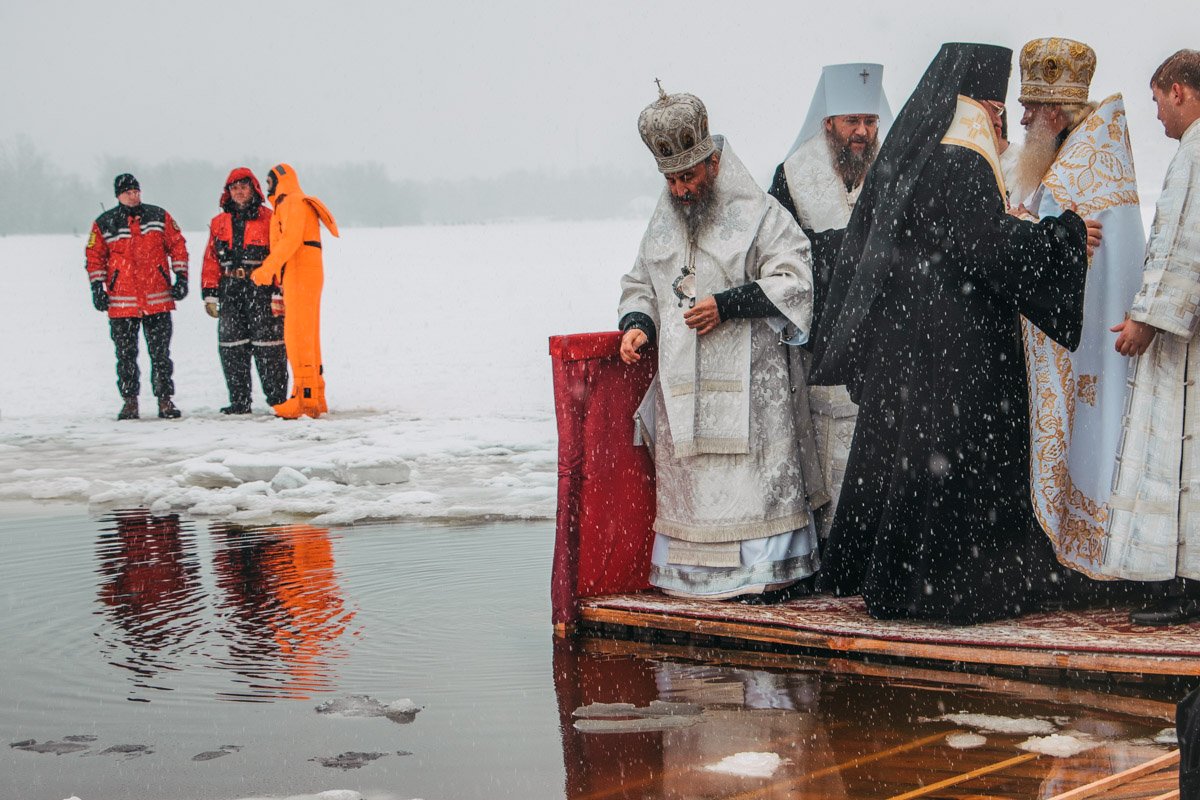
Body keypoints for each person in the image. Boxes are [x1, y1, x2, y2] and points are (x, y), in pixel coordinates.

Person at [809, 43, 1101, 624]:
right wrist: (1062, 236)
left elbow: (954, 234)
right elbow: (984, 246)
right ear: (986, 104)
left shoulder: (923, 147)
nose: (1002, 122)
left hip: (915, 335)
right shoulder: (963, 155)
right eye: (1000, 110)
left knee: (914, 465)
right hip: (955, 342)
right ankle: (948, 590)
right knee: (953, 463)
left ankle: (898, 579)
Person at [617, 84, 827, 601]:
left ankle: (763, 575)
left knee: (751, 487)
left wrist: (728, 305)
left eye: (688, 176)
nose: (681, 190)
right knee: (696, 490)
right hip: (684, 391)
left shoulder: (761, 213)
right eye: (672, 180)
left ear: (713, 163)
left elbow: (795, 278)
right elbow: (641, 282)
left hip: (751, 391)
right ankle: (694, 580)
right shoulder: (663, 224)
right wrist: (638, 324)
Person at [1008, 38, 1146, 582]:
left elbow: (1070, 250)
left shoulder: (1078, 170)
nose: (1022, 118)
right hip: (1087, 336)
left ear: (1055, 111)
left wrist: (1020, 228)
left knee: (1092, 435)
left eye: (1030, 107)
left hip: (1088, 342)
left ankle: (1089, 564)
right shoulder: (1082, 157)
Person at [768, 63, 892, 538]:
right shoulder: (793, 175)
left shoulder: (893, 169)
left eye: (870, 121)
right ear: (828, 123)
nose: (862, 132)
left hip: (883, 342)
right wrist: (841, 248)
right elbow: (778, 257)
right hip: (824, 342)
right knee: (826, 453)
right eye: (851, 121)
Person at [1102, 49, 1200, 625]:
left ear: (1178, 91)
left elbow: (1182, 243)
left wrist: (1146, 317)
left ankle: (1184, 583)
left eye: (1158, 101)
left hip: (1187, 344)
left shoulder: (1195, 153)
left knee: (1181, 453)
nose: (1158, 114)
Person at [85, 173, 189, 420]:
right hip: (122, 303)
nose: (133, 196)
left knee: (161, 355)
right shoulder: (105, 222)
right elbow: (94, 256)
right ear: (118, 195)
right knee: (125, 356)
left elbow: (177, 245)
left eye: (136, 191)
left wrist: (181, 276)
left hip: (157, 299)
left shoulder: (158, 216)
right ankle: (130, 401)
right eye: (128, 192)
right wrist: (97, 287)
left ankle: (165, 400)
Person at [250, 164, 338, 419]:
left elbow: (290, 239)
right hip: (303, 273)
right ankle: (316, 395)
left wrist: (267, 269)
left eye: (269, 182)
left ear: (280, 180)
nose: (267, 188)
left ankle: (304, 399)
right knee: (307, 335)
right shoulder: (293, 203)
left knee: (297, 336)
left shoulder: (291, 202)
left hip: (301, 273)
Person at [200, 168, 288, 414]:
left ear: (253, 189)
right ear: (228, 192)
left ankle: (278, 400)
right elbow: (211, 259)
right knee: (232, 346)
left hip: (262, 288)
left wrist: (279, 290)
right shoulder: (219, 223)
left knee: (270, 346)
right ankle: (239, 401)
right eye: (234, 188)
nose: (239, 192)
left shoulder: (270, 219)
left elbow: (280, 256)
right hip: (230, 288)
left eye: (243, 187)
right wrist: (210, 293)